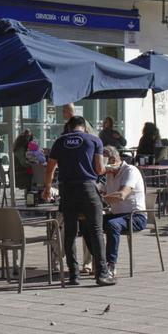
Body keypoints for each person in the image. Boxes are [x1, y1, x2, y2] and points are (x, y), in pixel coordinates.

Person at [43, 116, 115, 286]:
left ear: (69, 127)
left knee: (70, 232)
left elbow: (50, 169)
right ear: (84, 127)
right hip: (87, 188)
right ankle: (102, 274)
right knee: (96, 230)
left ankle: (74, 275)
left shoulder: (60, 141)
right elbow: (99, 169)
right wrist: (108, 169)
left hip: (67, 189)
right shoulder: (94, 140)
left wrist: (47, 188)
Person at [100, 146, 146, 277]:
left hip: (135, 216)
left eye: (103, 163)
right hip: (117, 215)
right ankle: (99, 260)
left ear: (113, 160)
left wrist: (100, 199)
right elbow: (101, 189)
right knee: (89, 222)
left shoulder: (130, 170)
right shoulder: (110, 174)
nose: (101, 168)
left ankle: (110, 265)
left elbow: (121, 195)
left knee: (112, 225)